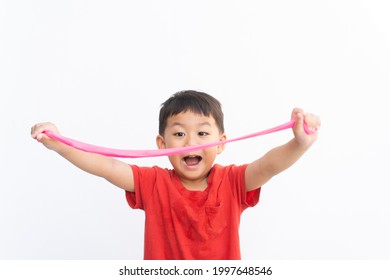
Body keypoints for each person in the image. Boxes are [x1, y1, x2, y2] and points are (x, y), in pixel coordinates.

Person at [31, 90, 321, 260]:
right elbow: (107, 167)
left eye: (202, 133)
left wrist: (299, 142)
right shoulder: (152, 183)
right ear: (162, 145)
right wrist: (60, 145)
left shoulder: (233, 182)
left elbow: (268, 165)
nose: (191, 142)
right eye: (179, 133)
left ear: (221, 143)